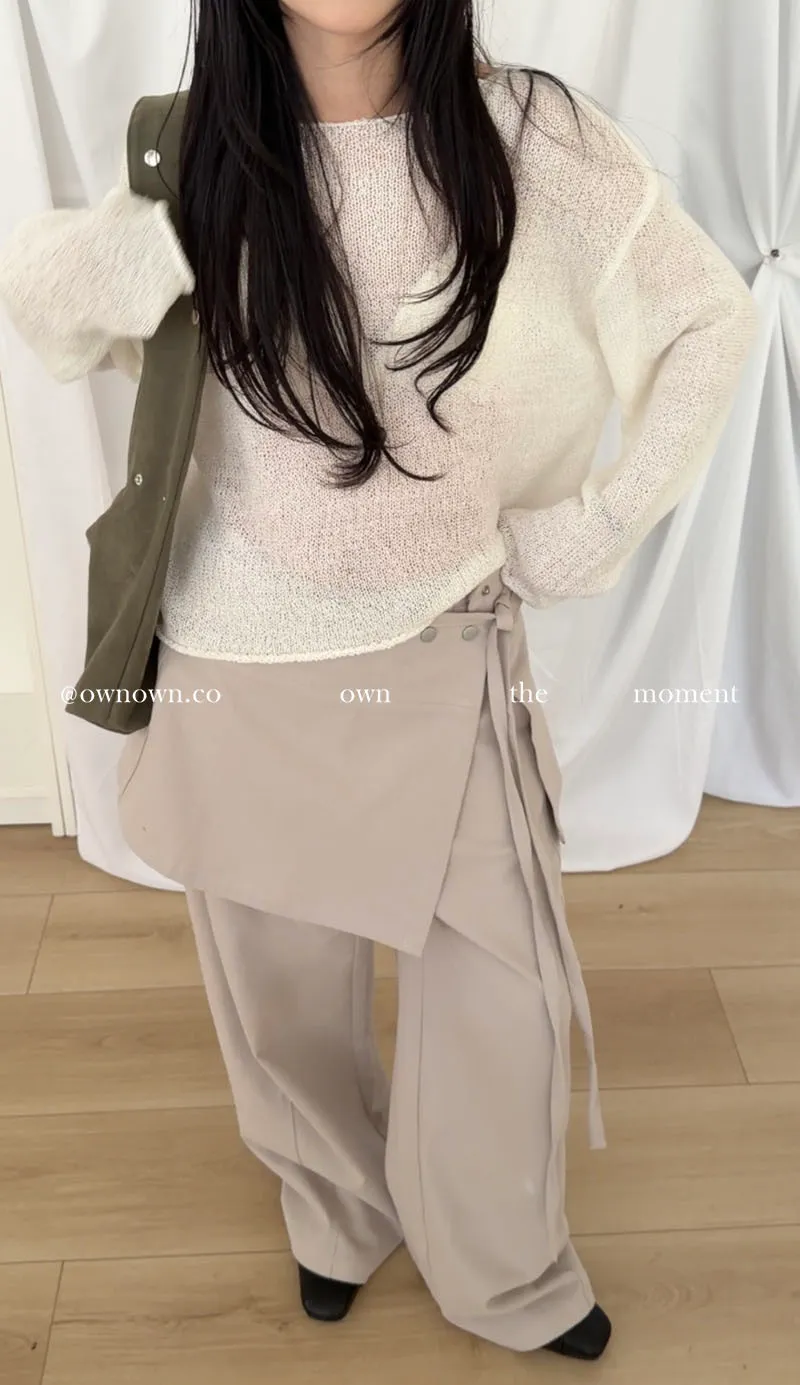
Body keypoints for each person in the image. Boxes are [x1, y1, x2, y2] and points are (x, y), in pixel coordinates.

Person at [0, 0, 758, 1364]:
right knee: (280, 995)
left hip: (439, 642)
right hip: (240, 660)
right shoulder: (195, 150)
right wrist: (144, 247)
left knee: (502, 997)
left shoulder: (528, 131)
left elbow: (708, 319)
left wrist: (592, 526)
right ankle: (336, 1215)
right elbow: (50, 312)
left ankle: (504, 1270)